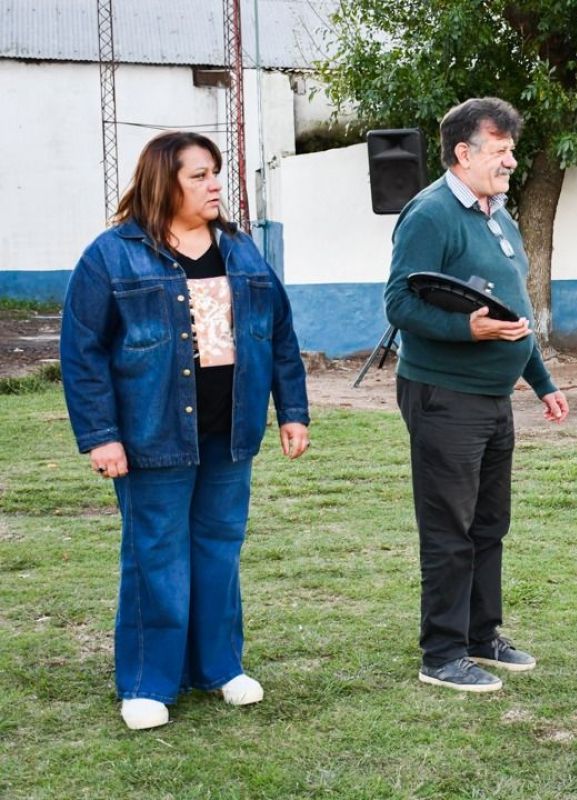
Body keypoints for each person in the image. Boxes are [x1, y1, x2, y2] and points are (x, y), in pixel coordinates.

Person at [60, 131, 311, 730]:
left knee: (219, 549)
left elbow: (278, 333)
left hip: (230, 432)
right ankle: (148, 682)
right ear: (163, 183)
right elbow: (82, 351)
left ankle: (219, 668)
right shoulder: (112, 255)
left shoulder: (241, 250)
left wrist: (292, 410)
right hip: (152, 434)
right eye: (199, 176)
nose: (214, 185)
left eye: (215, 173)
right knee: (155, 553)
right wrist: (101, 434)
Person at [384, 97, 569, 693]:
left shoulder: (499, 215)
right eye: (501, 150)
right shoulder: (430, 214)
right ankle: (441, 655)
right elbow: (398, 305)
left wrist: (542, 382)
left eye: (512, 149)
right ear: (464, 154)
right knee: (449, 529)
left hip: (493, 397)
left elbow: (514, 314)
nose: (511, 160)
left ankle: (480, 635)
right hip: (444, 395)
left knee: (489, 523)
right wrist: (468, 329)